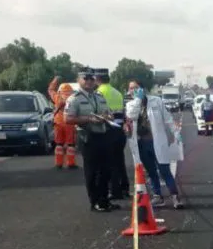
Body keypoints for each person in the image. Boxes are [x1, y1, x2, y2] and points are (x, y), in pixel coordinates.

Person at [65, 68, 118, 212]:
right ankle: (95, 201)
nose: (89, 81)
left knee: (106, 170)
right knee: (92, 171)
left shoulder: (99, 96)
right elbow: (68, 118)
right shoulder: (74, 98)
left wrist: (108, 116)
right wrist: (88, 118)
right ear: (79, 80)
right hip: (87, 137)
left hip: (103, 134)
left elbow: (108, 112)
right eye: (85, 78)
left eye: (91, 79)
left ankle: (104, 200)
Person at [127, 80, 185, 209]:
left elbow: (168, 118)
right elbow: (132, 115)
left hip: (157, 141)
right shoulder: (131, 105)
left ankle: (175, 196)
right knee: (151, 171)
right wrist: (137, 100)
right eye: (131, 89)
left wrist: (176, 133)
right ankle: (158, 196)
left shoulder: (156, 101)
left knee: (164, 170)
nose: (133, 91)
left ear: (142, 89)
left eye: (136, 88)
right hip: (141, 144)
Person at [95, 68, 130, 200]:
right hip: (119, 130)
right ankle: (124, 188)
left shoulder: (99, 93)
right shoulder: (117, 92)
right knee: (119, 161)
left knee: (109, 162)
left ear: (98, 79)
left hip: (107, 130)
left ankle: (115, 191)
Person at [47, 76, 78, 169]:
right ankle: (71, 163)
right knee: (71, 145)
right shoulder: (74, 98)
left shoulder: (57, 97)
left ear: (60, 90)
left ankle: (59, 163)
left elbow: (50, 89)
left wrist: (55, 80)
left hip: (58, 123)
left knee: (59, 144)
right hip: (70, 123)